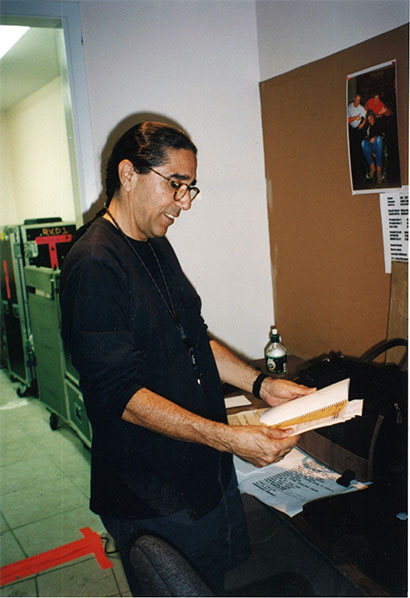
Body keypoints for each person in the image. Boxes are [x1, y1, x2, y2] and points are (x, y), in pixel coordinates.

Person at [60, 121, 315, 596]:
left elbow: (193, 337)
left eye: (190, 187)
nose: (185, 202)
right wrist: (229, 439)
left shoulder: (154, 243)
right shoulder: (95, 262)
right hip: (152, 493)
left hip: (198, 475)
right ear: (128, 174)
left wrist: (261, 385)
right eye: (175, 185)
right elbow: (123, 397)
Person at [361, 110, 384, 185]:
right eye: (368, 117)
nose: (370, 118)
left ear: (374, 117)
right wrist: (364, 122)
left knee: (378, 139)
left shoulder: (378, 124)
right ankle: (372, 167)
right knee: (363, 143)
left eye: (371, 116)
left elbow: (382, 134)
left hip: (377, 145)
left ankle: (378, 169)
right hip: (369, 147)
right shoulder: (367, 126)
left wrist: (374, 137)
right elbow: (361, 134)